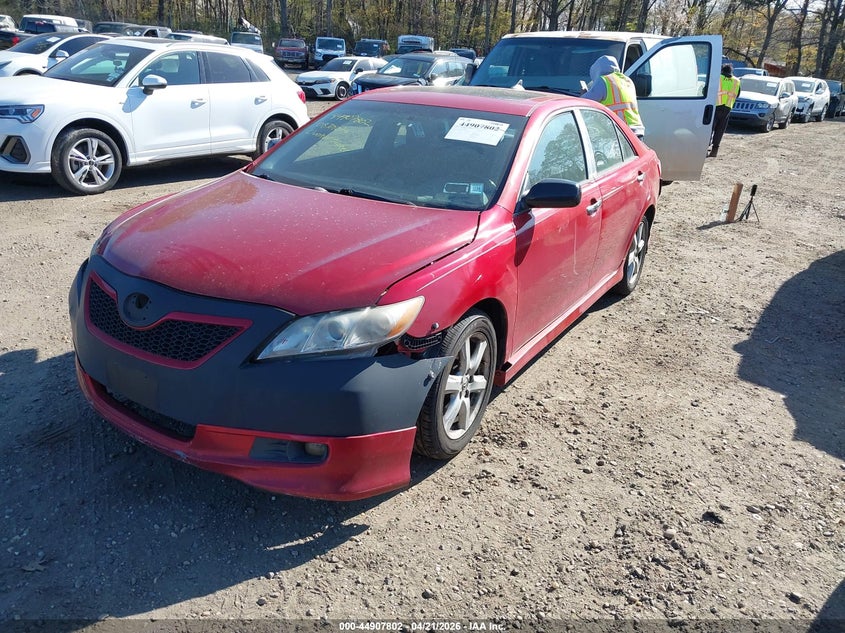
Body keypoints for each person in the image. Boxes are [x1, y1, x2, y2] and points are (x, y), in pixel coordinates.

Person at [581, 55, 645, 139]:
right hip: (637, 130)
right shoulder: (627, 80)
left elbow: (585, 102)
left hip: (622, 132)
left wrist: (583, 92)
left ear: (596, 70)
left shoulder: (603, 81)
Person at [709, 64, 741, 157]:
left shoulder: (718, 78)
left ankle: (705, 148)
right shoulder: (736, 81)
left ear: (722, 70)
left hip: (715, 106)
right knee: (720, 129)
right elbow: (737, 94)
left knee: (709, 128)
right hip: (727, 107)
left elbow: (709, 90)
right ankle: (714, 151)